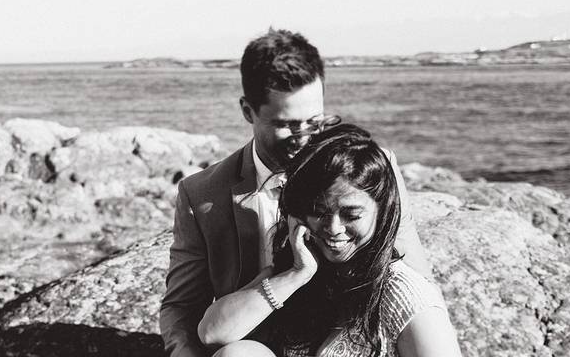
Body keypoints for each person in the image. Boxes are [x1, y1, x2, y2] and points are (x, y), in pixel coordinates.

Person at [159, 29, 432, 357]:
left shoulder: (373, 167)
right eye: (288, 124)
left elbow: (415, 278)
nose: (304, 138)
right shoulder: (201, 194)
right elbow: (182, 309)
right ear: (248, 111)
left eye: (314, 121)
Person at [195, 123, 461, 357]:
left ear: (382, 211)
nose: (334, 228)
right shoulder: (301, 270)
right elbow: (212, 333)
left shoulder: (404, 295)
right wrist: (296, 275)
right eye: (319, 211)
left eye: (351, 214)